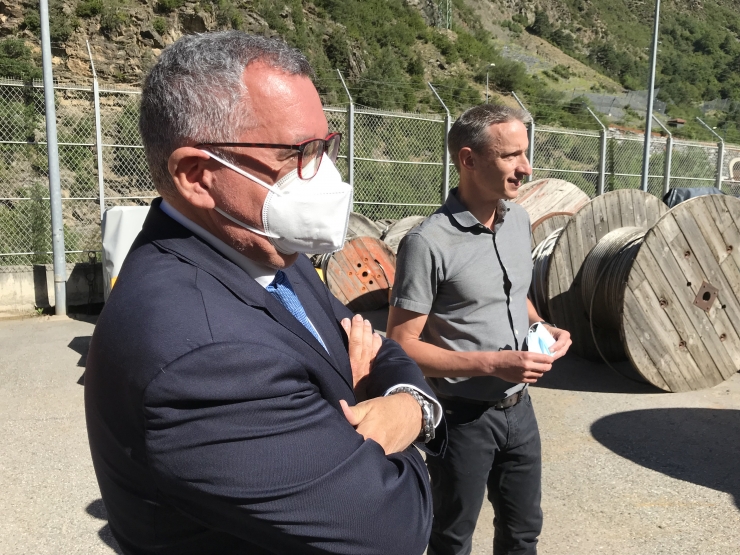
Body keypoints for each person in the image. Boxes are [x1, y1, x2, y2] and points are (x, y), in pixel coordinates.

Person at [84, 31, 444, 555]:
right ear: (196, 175)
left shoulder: (268, 254)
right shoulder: (203, 356)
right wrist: (384, 404)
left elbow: (374, 343)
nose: (324, 177)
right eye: (296, 153)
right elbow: (397, 530)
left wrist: (406, 402)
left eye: (325, 146)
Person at [387, 104, 572, 555]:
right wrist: (493, 362)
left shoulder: (519, 221)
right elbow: (401, 345)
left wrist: (543, 325)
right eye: (511, 156)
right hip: (462, 417)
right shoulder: (426, 243)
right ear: (468, 160)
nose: (526, 169)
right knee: (452, 537)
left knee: (523, 530)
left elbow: (512, 296)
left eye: (525, 154)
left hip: (519, 411)